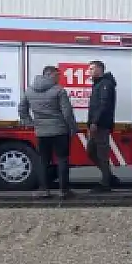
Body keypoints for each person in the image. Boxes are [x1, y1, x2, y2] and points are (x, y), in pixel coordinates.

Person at [18, 65, 78, 199]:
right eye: (57, 75)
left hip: (41, 132)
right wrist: (73, 128)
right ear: (49, 74)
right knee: (62, 160)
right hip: (60, 131)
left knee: (43, 161)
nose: (58, 78)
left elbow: (22, 109)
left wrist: (30, 123)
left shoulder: (29, 91)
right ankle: (64, 191)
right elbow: (67, 113)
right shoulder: (59, 90)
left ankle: (44, 190)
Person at [85, 60, 117, 193]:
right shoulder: (98, 84)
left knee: (101, 154)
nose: (89, 71)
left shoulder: (105, 84)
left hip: (101, 125)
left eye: (92, 69)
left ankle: (105, 183)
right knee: (91, 151)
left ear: (99, 69)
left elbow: (104, 105)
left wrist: (95, 122)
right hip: (95, 124)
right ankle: (108, 176)